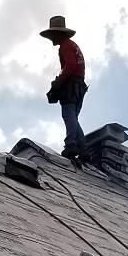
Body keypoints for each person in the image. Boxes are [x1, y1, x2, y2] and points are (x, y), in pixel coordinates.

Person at [40, 15, 88, 160]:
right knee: (72, 116)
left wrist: (58, 83)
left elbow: (71, 66)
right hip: (79, 84)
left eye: (52, 35)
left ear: (57, 33)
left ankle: (71, 145)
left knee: (68, 115)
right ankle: (83, 149)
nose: (51, 39)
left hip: (72, 84)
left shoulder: (65, 46)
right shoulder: (71, 44)